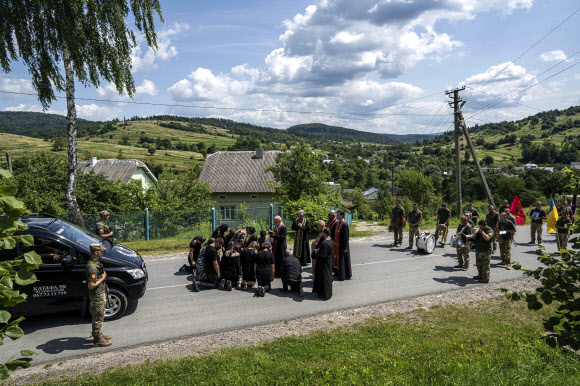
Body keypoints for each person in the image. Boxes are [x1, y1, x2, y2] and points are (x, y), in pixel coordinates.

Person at [86, 244, 112, 347]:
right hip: (97, 295)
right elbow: (91, 285)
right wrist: (103, 277)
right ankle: (97, 340)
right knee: (98, 317)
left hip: (100, 292)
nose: (103, 252)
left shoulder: (95, 262)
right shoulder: (92, 268)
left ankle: (98, 333)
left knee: (99, 315)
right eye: (101, 251)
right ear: (96, 252)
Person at [312, 228, 334, 300]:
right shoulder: (330, 240)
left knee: (325, 279)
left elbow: (323, 255)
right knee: (325, 278)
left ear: (325, 234)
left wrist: (316, 252)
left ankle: (325, 294)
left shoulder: (326, 244)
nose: (321, 234)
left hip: (324, 263)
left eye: (322, 232)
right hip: (327, 262)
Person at [333, 210, 352, 281]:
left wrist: (345, 247)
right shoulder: (337, 223)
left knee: (342, 261)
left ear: (342, 216)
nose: (337, 216)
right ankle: (338, 273)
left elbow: (346, 237)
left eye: (338, 215)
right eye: (337, 215)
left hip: (342, 245)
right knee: (337, 260)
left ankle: (343, 275)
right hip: (337, 245)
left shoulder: (344, 224)